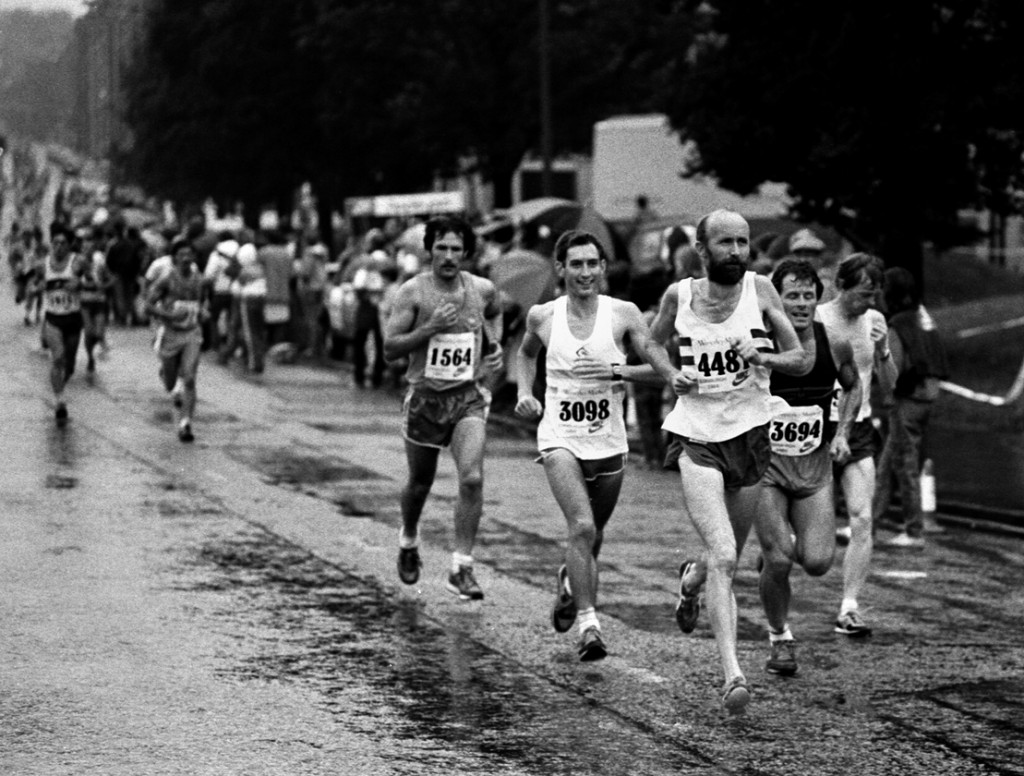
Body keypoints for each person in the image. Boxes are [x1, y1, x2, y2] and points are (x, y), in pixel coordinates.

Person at [644, 209, 812, 714]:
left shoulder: (761, 291)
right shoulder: (680, 295)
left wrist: (763, 358)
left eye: (742, 242)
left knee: (724, 556)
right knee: (724, 554)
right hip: (696, 435)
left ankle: (690, 582)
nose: (737, 252)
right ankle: (732, 673)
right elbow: (652, 342)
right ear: (702, 249)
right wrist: (671, 372)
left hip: (751, 435)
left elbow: (799, 357)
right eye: (726, 243)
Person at [514, 231, 673, 661]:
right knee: (581, 526)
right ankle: (589, 624)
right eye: (576, 264)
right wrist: (524, 392)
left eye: (592, 264)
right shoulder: (543, 316)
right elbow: (525, 355)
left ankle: (571, 578)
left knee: (592, 535)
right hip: (559, 437)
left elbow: (652, 363)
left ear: (603, 268)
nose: (585, 272)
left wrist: (624, 370)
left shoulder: (623, 314)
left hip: (607, 440)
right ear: (561, 269)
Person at [383, 215, 504, 601]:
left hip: (467, 398)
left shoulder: (482, 289)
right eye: (441, 248)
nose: (449, 256)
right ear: (430, 250)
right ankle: (408, 538)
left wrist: (493, 347)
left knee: (471, 479)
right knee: (420, 484)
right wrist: (429, 328)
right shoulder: (413, 293)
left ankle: (461, 567)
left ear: (466, 252)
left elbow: (497, 312)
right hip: (425, 400)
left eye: (456, 249)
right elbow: (389, 349)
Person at [754, 259, 862, 677]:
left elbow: (854, 386)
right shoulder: (760, 343)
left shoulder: (834, 343)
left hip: (814, 466)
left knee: (817, 562)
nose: (800, 304)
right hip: (766, 468)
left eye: (807, 295)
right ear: (775, 299)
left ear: (818, 298)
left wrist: (842, 433)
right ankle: (780, 637)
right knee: (780, 560)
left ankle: (772, 554)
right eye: (791, 295)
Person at [817, 253, 897, 636]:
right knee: (798, 534)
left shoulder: (875, 321)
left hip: (859, 427)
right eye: (861, 294)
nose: (867, 303)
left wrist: (882, 352)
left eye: (873, 295)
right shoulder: (816, 319)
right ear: (840, 286)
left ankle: (849, 607)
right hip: (814, 429)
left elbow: (890, 384)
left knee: (863, 518)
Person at [872, 267, 949, 547]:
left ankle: (913, 530)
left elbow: (894, 366)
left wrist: (883, 385)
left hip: (907, 401)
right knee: (886, 464)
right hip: (928, 395)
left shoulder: (897, 324)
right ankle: (869, 524)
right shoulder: (923, 316)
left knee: (905, 465)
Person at [145, 238, 208, 442]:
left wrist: (204, 311)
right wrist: (169, 315)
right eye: (181, 255)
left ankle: (185, 424)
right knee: (170, 384)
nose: (186, 258)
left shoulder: (199, 280)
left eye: (189, 254)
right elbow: (148, 305)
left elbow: (202, 302)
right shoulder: (167, 280)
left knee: (189, 377)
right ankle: (166, 371)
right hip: (171, 334)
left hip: (192, 333)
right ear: (175, 258)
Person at [40, 228, 86, 425]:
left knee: (69, 366)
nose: (59, 247)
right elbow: (35, 283)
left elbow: (92, 280)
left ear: (69, 245)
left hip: (73, 318)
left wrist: (80, 283)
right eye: (55, 243)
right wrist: (35, 287)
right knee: (57, 356)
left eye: (63, 243)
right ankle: (59, 402)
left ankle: (59, 387)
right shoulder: (42, 264)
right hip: (53, 318)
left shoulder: (78, 262)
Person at [79, 233, 115, 374]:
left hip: (99, 301)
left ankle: (100, 345)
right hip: (84, 303)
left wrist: (104, 286)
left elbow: (112, 278)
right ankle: (90, 358)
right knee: (88, 332)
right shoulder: (77, 262)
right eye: (84, 248)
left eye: (90, 247)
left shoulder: (100, 261)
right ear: (82, 249)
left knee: (98, 333)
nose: (87, 250)